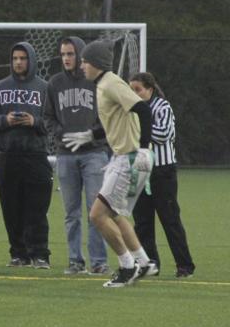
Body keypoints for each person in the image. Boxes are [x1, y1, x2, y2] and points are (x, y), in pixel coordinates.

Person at [73, 40, 158, 287]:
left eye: (85, 61)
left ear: (96, 64)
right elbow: (119, 119)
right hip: (127, 157)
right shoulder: (103, 84)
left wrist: (142, 147)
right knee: (117, 215)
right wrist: (92, 136)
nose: (82, 66)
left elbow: (143, 110)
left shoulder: (111, 83)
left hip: (130, 158)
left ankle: (126, 266)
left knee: (98, 215)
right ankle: (143, 263)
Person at [0, 42, 53, 269]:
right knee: (11, 208)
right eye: (15, 58)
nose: (19, 62)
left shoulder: (45, 88)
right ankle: (18, 253)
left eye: (23, 58)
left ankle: (40, 254)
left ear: (31, 60)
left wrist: (35, 122)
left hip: (36, 154)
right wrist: (5, 120)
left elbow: (54, 122)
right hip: (7, 155)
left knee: (37, 208)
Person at [44, 37, 111, 276]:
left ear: (81, 55)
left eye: (70, 53)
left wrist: (92, 134)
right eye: (63, 54)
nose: (66, 58)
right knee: (71, 213)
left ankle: (99, 261)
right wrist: (60, 134)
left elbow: (108, 114)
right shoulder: (55, 83)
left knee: (96, 210)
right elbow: (48, 117)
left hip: (94, 153)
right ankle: (75, 260)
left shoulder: (95, 81)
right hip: (65, 155)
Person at [129, 72, 195, 278]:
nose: (135, 94)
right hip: (139, 169)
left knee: (170, 219)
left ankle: (185, 265)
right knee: (142, 221)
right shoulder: (132, 111)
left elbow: (164, 134)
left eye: (138, 89)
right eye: (132, 90)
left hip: (162, 171)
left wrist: (137, 128)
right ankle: (151, 264)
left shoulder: (162, 107)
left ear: (150, 88)